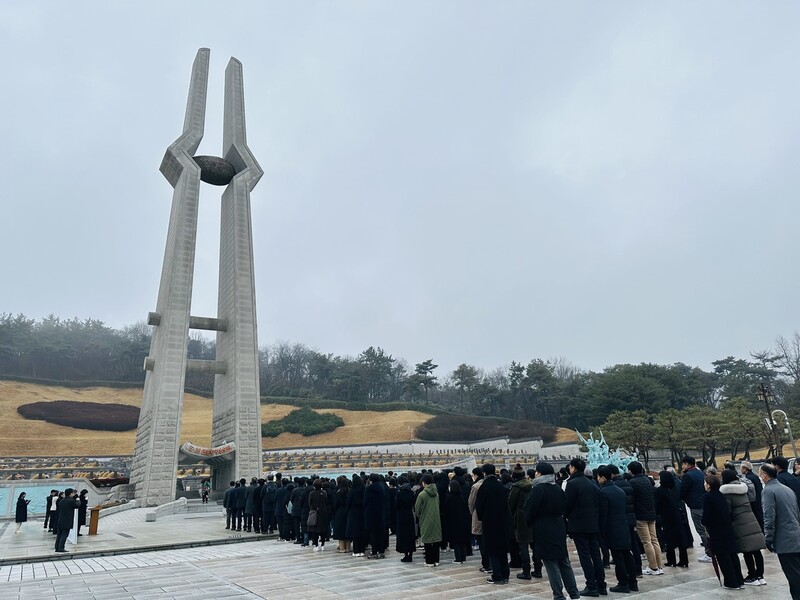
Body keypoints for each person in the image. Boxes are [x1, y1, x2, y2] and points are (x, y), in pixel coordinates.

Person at [524, 462, 580, 600]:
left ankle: (558, 595)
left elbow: (529, 510)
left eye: (537, 472)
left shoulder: (538, 489)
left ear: (540, 473)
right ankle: (573, 592)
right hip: (558, 525)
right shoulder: (557, 488)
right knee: (564, 561)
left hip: (544, 528)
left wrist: (529, 522)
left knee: (550, 563)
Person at [565, 458, 605, 596]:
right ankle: (601, 584)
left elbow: (567, 505)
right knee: (595, 554)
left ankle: (591, 586)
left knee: (585, 556)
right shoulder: (592, 483)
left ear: (574, 468)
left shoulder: (572, 484)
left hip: (579, 525)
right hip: (593, 524)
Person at [720, 468, 766, 585]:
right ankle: (760, 575)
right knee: (756, 550)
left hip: (740, 523)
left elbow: (728, 511)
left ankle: (752, 576)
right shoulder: (743, 488)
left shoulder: (727, 493)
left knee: (747, 550)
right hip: (751, 519)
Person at [761, 463, 800, 598]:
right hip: (796, 535)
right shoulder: (787, 489)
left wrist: (768, 538)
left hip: (785, 541)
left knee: (793, 576)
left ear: (764, 475)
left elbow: (769, 516)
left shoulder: (768, 491)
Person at [596, 466, 636, 593]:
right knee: (627, 555)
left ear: (602, 477)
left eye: (598, 477)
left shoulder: (603, 492)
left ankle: (623, 583)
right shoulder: (619, 491)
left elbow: (603, 515)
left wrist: (601, 532)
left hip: (612, 528)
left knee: (618, 557)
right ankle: (633, 582)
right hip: (623, 525)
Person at [701, 473, 744, 590]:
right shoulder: (721, 495)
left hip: (716, 531)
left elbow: (706, 517)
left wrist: (704, 523)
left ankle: (731, 582)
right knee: (732, 555)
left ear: (709, 485)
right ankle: (739, 580)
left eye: (705, 483)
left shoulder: (708, 497)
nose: (704, 484)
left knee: (723, 557)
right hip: (727, 528)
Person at [475, 463, 511, 584]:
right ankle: (505, 574)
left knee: (492, 549)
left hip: (489, 522)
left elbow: (479, 505)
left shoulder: (484, 487)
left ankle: (497, 575)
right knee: (502, 548)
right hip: (502, 521)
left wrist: (482, 517)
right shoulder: (501, 486)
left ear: (484, 473)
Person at [627, 461, 662, 576]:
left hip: (641, 515)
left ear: (631, 471)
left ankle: (653, 566)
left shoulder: (632, 482)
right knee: (654, 540)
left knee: (646, 542)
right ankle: (659, 565)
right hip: (651, 513)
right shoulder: (648, 480)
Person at [680, 455, 712, 563]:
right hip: (705, 504)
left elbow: (683, 492)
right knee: (708, 529)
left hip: (696, 505)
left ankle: (709, 553)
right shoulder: (701, 473)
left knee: (701, 530)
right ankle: (712, 551)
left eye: (683, 464)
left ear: (687, 464)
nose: (682, 466)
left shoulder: (687, 476)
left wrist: (684, 499)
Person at [655, 470, 689, 568]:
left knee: (669, 539)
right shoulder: (675, 488)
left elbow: (657, 505)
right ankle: (684, 560)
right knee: (680, 539)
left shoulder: (660, 490)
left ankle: (671, 560)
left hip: (666, 517)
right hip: (677, 515)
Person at [415, 473, 442, 567]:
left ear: (424, 482)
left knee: (427, 540)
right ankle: (436, 560)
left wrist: (420, 516)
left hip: (426, 518)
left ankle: (429, 561)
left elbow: (417, 509)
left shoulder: (422, 494)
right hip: (436, 518)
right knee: (435, 540)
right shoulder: (436, 493)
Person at [468, 467, 491, 573]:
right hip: (489, 516)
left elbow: (471, 503)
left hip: (478, 516)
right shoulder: (488, 484)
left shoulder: (476, 486)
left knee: (482, 541)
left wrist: (473, 513)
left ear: (476, 475)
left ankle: (486, 564)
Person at [445, 479, 471, 564]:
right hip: (463, 522)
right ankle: (463, 557)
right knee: (462, 541)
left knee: (456, 541)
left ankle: (458, 558)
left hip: (453, 522)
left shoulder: (449, 498)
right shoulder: (461, 497)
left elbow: (447, 511)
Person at [364, 473, 387, 559]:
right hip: (380, 513)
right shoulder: (382, 488)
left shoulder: (369, 489)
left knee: (373, 534)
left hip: (371, 513)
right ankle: (381, 551)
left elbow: (365, 502)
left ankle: (374, 552)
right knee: (380, 533)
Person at [395, 475, 416, 562]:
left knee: (403, 536)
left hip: (401, 516)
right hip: (409, 515)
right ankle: (410, 554)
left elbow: (396, 506)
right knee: (410, 535)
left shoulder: (399, 493)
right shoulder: (411, 492)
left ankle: (406, 554)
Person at [346, 475, 367, 557]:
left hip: (353, 513)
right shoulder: (364, 490)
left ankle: (356, 551)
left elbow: (348, 503)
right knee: (362, 532)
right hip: (362, 513)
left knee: (355, 533)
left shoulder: (352, 491)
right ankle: (362, 550)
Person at [740, 461, 764, 530]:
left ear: (745, 468)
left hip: (753, 503)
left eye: (741, 468)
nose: (740, 470)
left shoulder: (747, 479)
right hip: (759, 500)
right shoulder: (755, 477)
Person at [55, 488, 80, 553]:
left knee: (59, 534)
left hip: (60, 519)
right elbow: (77, 505)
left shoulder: (61, 500)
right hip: (67, 520)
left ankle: (57, 547)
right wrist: (78, 500)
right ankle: (61, 547)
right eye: (73, 493)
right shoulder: (71, 501)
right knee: (65, 534)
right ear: (70, 493)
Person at [307, 479, 328, 551]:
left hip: (314, 512)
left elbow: (310, 503)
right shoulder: (324, 492)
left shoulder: (311, 493)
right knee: (323, 530)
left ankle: (316, 545)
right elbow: (326, 501)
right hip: (323, 512)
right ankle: (322, 544)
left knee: (314, 530)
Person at [332, 476, 351, 553]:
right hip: (348, 512)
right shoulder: (350, 491)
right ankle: (348, 547)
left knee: (340, 530)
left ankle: (342, 548)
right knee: (348, 529)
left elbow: (335, 504)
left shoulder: (338, 492)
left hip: (340, 512)